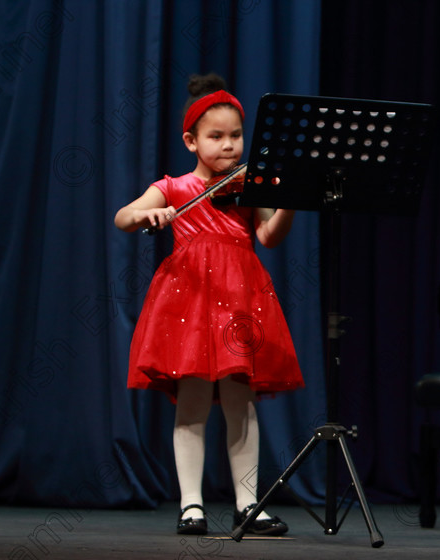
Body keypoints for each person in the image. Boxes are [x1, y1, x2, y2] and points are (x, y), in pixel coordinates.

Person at [114, 73, 304, 536]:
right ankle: (191, 505)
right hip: (191, 303)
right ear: (191, 140)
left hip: (239, 301)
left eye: (236, 136)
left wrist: (290, 201)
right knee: (193, 402)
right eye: (216, 136)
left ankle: (247, 504)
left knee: (242, 401)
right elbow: (124, 217)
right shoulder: (176, 188)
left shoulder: (250, 186)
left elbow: (268, 237)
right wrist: (147, 213)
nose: (229, 146)